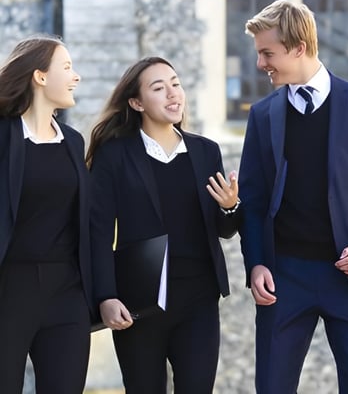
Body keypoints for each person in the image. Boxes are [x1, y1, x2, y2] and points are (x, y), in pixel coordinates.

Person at [238, 0, 348, 393]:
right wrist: (256, 264)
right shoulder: (262, 115)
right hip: (284, 278)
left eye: (268, 53)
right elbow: (253, 200)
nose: (261, 63)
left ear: (298, 48)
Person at [87, 57, 241, 394]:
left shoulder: (205, 152)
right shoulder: (114, 156)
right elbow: (96, 234)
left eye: (176, 83)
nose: (173, 94)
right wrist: (105, 297)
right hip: (138, 303)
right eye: (159, 88)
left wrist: (230, 208)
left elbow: (223, 230)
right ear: (136, 102)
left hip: (199, 299)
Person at [0, 35, 91, 393]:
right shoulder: (3, 136)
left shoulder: (73, 141)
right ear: (40, 76)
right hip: (9, 288)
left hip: (67, 292)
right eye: (66, 67)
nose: (76, 76)